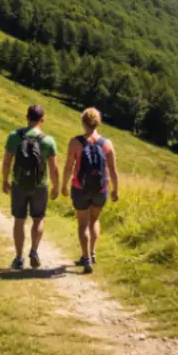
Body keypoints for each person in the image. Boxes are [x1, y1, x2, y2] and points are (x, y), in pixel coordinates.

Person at [60, 107, 119, 274]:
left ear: (83, 122)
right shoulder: (107, 144)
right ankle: (92, 253)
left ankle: (85, 258)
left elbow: (68, 167)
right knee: (94, 220)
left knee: (82, 223)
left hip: (80, 188)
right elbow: (113, 170)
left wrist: (64, 185)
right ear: (98, 122)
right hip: (100, 189)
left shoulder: (75, 142)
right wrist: (116, 190)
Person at [2, 104, 59, 270]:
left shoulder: (14, 136)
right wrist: (56, 186)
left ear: (26, 117)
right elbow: (54, 168)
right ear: (43, 120)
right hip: (40, 185)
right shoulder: (48, 140)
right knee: (38, 218)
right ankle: (34, 251)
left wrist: (5, 180)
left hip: (19, 184)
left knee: (19, 220)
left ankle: (19, 258)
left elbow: (7, 162)